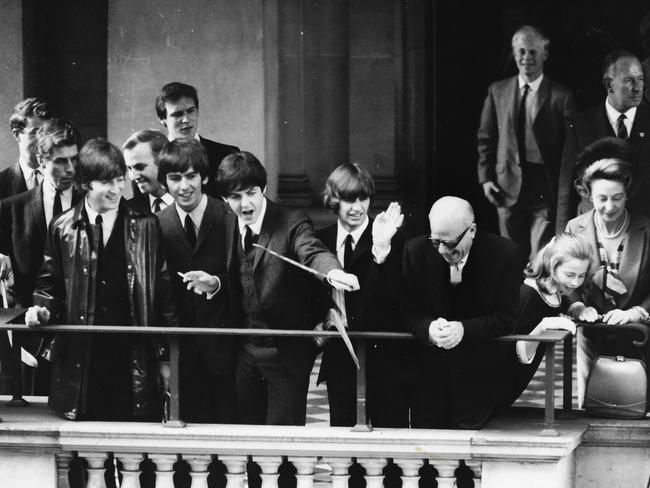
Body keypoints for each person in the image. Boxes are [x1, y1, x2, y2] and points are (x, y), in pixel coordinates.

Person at [25, 138, 177, 421]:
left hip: (132, 359)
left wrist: (165, 358)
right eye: (106, 182)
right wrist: (43, 309)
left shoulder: (146, 225)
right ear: (85, 183)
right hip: (83, 358)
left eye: (120, 180)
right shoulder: (62, 227)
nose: (117, 189)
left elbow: (164, 299)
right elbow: (49, 285)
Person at [217, 151, 359, 426]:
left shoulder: (292, 221)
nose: (245, 204)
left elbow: (313, 251)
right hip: (244, 353)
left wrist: (332, 272)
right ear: (225, 199)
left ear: (264, 189)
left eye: (251, 193)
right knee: (249, 443)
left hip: (285, 355)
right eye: (235, 197)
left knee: (282, 449)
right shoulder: (226, 223)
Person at [402, 196, 522, 429]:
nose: (444, 251)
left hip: (477, 375)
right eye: (436, 242)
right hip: (429, 376)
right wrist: (428, 328)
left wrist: (463, 330)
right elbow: (408, 310)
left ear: (472, 230)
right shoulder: (415, 250)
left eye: (451, 243)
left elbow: (506, 319)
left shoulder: (504, 254)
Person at [316, 163, 413, 427]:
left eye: (363, 198)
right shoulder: (320, 240)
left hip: (385, 357)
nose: (358, 207)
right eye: (349, 199)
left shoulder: (393, 239)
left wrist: (381, 250)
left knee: (390, 444)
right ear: (333, 200)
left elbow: (393, 299)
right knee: (345, 446)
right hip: (340, 357)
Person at [477, 25, 575, 262]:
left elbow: (571, 149)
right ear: (513, 53)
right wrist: (486, 178)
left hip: (543, 185)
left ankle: (533, 298)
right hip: (506, 185)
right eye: (521, 51)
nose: (526, 58)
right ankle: (512, 299)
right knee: (509, 254)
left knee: (540, 254)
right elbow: (486, 138)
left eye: (533, 52)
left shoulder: (561, 97)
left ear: (545, 54)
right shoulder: (497, 91)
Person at [0, 119, 84, 394]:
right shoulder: (12, 209)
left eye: (74, 159)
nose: (70, 169)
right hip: (29, 339)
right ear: (41, 159)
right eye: (61, 161)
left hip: (80, 339)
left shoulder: (90, 205)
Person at [156, 139, 237, 423]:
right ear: (164, 182)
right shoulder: (158, 224)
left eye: (191, 176)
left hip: (228, 353)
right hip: (183, 356)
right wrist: (165, 356)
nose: (184, 186)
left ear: (204, 176)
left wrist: (217, 284)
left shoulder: (230, 216)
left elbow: (246, 277)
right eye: (175, 178)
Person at [565, 157, 650, 407]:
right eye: (602, 198)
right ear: (588, 195)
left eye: (618, 198)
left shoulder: (646, 228)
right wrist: (578, 307)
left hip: (638, 333)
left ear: (627, 195)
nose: (610, 206)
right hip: (593, 332)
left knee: (636, 407)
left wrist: (637, 312)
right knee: (590, 404)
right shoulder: (575, 227)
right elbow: (563, 280)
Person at [557, 51, 650, 231]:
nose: (638, 88)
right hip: (593, 230)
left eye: (640, 79)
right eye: (629, 81)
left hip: (643, 231)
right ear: (609, 84)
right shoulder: (581, 126)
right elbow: (565, 190)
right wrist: (562, 239)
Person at [499, 233, 592, 409]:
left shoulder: (553, 289)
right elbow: (516, 352)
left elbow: (564, 303)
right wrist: (545, 325)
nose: (575, 282)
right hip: (501, 380)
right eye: (570, 274)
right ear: (552, 265)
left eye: (581, 276)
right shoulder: (529, 295)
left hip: (516, 380)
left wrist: (579, 309)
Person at [155, 82, 239, 197]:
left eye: (190, 111)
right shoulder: (150, 161)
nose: (186, 119)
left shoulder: (226, 155)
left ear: (197, 111)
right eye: (177, 114)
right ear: (162, 119)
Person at [0, 98, 52, 199]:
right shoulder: (2, 183)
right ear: (17, 135)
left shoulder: (63, 178)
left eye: (46, 132)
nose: (43, 139)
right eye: (35, 132)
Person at [123, 129, 174, 213]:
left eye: (139, 167)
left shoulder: (189, 204)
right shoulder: (127, 211)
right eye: (129, 168)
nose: (132, 176)